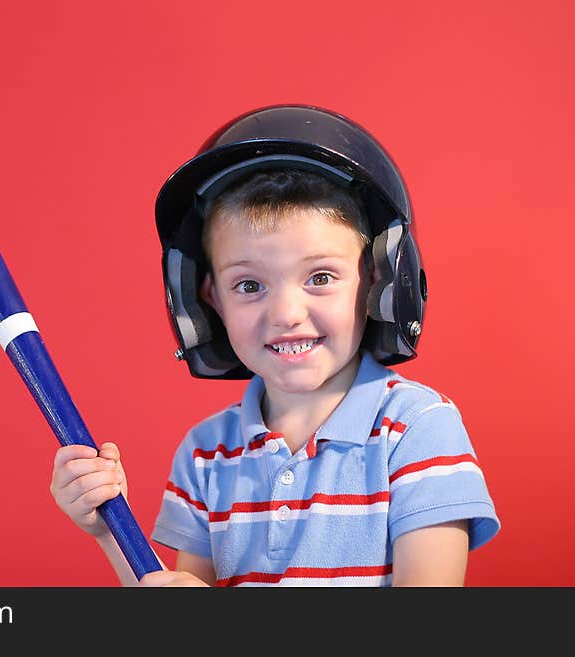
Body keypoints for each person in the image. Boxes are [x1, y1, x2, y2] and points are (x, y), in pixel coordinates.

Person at [50, 105, 500, 586]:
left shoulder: (416, 430)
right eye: (249, 286)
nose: (285, 314)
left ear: (379, 278)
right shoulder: (206, 454)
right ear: (209, 300)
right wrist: (108, 531)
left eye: (320, 277)